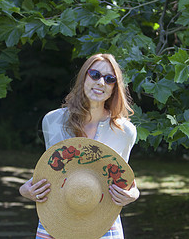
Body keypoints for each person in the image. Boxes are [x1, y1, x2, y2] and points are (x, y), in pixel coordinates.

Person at [19, 53, 140, 239]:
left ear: (115, 88)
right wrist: (25, 190)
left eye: (109, 79)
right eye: (95, 75)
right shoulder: (53, 121)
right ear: (84, 76)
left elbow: (123, 181)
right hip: (56, 220)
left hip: (104, 224)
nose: (101, 82)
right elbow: (51, 174)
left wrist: (134, 194)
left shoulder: (126, 132)